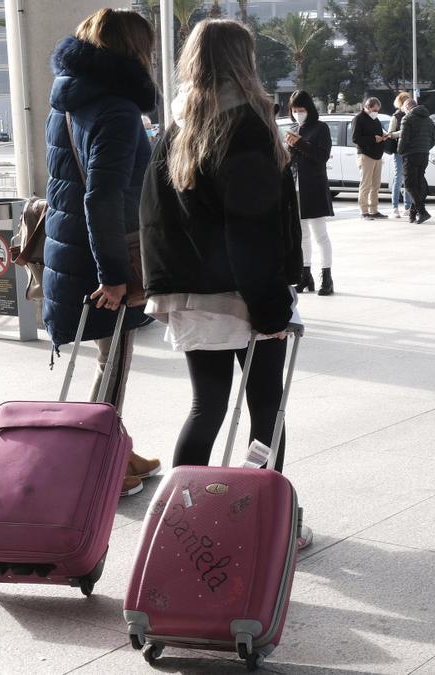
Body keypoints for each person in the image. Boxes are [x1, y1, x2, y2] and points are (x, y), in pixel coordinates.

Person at [140, 18, 299, 474]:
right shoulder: (246, 123)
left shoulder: (178, 126)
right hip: (245, 293)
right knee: (266, 408)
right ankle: (256, 513)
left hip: (192, 295)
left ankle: (183, 515)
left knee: (206, 407)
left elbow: (152, 215)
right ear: (242, 59)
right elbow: (252, 227)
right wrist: (271, 305)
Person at [44, 8, 161, 496]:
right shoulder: (115, 109)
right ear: (135, 52)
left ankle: (114, 445)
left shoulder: (68, 101)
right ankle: (98, 470)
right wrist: (114, 274)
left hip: (72, 250)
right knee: (113, 362)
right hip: (103, 259)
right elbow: (103, 196)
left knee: (105, 356)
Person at [285, 90, 335, 296]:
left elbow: (322, 156)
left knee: (319, 234)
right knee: (302, 234)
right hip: (295, 188)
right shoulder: (293, 128)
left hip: (313, 188)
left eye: (301, 110)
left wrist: (300, 143)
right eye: (295, 110)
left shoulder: (320, 128)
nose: (298, 113)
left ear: (309, 109)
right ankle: (305, 274)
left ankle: (326, 276)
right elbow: (291, 160)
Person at [397, 95, 435, 224]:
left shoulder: (407, 119)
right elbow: (432, 140)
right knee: (418, 185)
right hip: (424, 155)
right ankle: (413, 214)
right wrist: (425, 148)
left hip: (410, 155)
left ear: (407, 107)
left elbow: (403, 139)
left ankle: (422, 211)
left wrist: (400, 151)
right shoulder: (428, 120)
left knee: (409, 185)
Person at [352, 97, 388, 220]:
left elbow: (378, 133)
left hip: (377, 155)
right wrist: (374, 138)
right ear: (367, 107)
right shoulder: (358, 119)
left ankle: (374, 210)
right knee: (365, 184)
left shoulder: (375, 119)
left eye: (377, 110)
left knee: (376, 185)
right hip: (366, 155)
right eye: (374, 109)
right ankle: (364, 211)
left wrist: (383, 136)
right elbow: (355, 139)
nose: (376, 112)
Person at [387, 91, 414, 219]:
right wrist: (402, 132)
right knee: (398, 177)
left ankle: (407, 207)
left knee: (407, 178)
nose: (407, 103)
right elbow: (390, 134)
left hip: (410, 150)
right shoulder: (396, 117)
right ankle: (395, 207)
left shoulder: (412, 115)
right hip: (399, 150)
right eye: (406, 101)